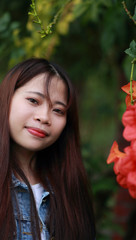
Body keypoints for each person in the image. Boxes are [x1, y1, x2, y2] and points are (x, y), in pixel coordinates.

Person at [0, 58, 95, 240]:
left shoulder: (70, 189)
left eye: (58, 110)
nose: (44, 117)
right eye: (34, 100)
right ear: (6, 98)